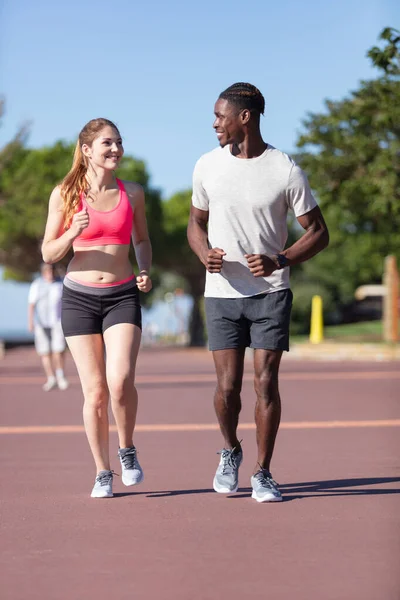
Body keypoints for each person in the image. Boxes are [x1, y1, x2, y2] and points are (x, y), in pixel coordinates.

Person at [187, 83, 329, 503]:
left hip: (270, 292)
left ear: (244, 117)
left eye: (220, 116)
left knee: (265, 383)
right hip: (222, 292)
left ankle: (263, 472)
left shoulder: (285, 170)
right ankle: (230, 449)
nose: (214, 123)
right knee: (228, 387)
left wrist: (280, 260)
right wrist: (203, 253)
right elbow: (195, 223)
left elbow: (319, 232)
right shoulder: (206, 166)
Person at [41, 118, 152, 499]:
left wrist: (145, 270)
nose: (116, 149)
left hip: (122, 295)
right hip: (79, 298)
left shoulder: (133, 192)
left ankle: (127, 448)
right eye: (107, 143)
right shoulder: (65, 194)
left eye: (119, 142)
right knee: (95, 392)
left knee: (120, 379)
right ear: (87, 150)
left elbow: (142, 240)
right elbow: (48, 252)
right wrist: (72, 233)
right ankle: (102, 471)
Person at [28, 263, 69, 391]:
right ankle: (50, 378)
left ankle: (60, 376)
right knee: (45, 351)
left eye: (51, 270)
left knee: (58, 350)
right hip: (41, 322)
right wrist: (31, 321)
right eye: (46, 270)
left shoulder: (60, 283)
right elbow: (31, 304)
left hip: (57, 322)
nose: (49, 273)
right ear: (42, 272)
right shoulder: (36, 285)